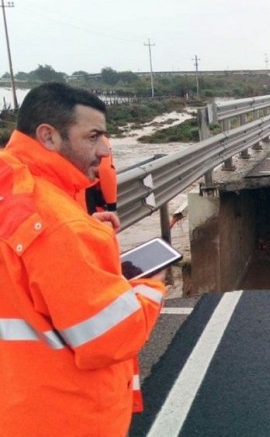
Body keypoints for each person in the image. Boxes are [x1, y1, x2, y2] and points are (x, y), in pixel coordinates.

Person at [0, 82, 167, 437]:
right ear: (48, 136)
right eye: (93, 136)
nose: (105, 150)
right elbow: (109, 337)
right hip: (63, 417)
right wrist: (150, 288)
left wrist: (82, 235)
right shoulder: (60, 224)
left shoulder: (11, 183)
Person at [84, 135, 118, 214]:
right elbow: (106, 171)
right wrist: (112, 206)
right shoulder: (100, 140)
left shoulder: (60, 139)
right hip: (90, 199)